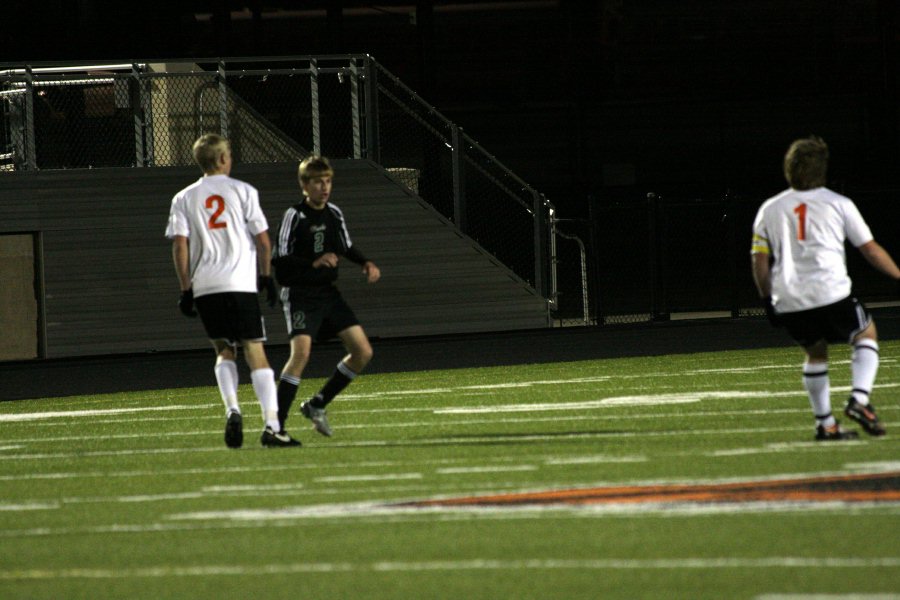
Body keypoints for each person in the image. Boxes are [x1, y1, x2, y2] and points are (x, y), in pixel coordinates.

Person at [751, 135, 900, 440]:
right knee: (865, 335)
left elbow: (759, 261)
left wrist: (767, 299)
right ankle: (859, 400)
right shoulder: (838, 203)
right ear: (823, 170)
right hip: (831, 291)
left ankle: (826, 424)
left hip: (790, 297)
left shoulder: (769, 208)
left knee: (815, 353)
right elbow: (870, 250)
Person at [165, 133, 301, 448]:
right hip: (239, 283)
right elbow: (263, 240)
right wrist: (266, 277)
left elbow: (180, 246)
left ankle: (233, 409)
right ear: (224, 158)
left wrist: (186, 289)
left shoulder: (184, 197)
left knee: (223, 350)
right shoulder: (243, 191)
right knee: (256, 352)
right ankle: (271, 426)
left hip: (206, 286)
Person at [272, 155, 381, 437]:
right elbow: (280, 262)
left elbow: (345, 246)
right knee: (301, 355)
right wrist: (314, 263)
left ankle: (318, 403)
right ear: (304, 185)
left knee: (362, 352)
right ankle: (276, 427)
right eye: (318, 181)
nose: (325, 187)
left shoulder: (333, 213)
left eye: (328, 181)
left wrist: (366, 263)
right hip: (300, 295)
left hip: (328, 295)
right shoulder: (294, 216)